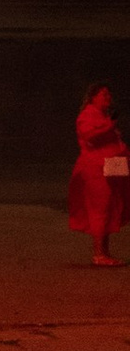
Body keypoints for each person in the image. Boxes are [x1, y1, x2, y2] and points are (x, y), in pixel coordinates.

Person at [70, 83, 128, 267]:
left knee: (111, 205)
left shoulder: (102, 116)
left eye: (108, 94)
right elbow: (89, 137)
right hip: (96, 168)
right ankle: (99, 254)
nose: (107, 97)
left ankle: (105, 252)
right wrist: (108, 127)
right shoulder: (87, 115)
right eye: (103, 94)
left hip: (110, 166)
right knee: (100, 208)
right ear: (92, 97)